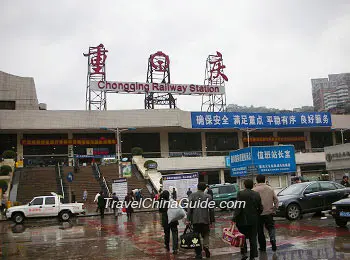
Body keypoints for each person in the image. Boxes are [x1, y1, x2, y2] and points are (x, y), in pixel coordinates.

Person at [233, 179, 263, 260]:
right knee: (253, 238)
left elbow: (238, 207)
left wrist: (234, 217)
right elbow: (260, 208)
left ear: (244, 185)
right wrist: (257, 215)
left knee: (242, 238)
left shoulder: (240, 194)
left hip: (242, 220)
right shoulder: (256, 194)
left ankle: (244, 253)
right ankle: (252, 256)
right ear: (252, 185)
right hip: (253, 220)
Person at [187, 182, 214, 259]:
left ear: (197, 187)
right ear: (205, 188)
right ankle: (206, 246)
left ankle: (198, 253)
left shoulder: (192, 195)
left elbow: (189, 209)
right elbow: (211, 210)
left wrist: (188, 219)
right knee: (206, 234)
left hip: (195, 220)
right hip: (205, 220)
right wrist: (212, 220)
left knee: (196, 236)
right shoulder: (208, 196)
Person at [253, 175, 278, 252]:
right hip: (269, 212)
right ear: (264, 180)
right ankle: (273, 240)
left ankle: (262, 247)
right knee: (271, 228)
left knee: (260, 231)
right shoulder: (270, 188)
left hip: (258, 214)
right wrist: (274, 209)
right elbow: (276, 200)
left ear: (257, 180)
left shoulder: (254, 190)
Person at [159, 190, 179, 255]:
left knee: (166, 234)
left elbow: (160, 210)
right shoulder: (172, 201)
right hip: (173, 220)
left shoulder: (162, 202)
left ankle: (167, 246)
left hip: (166, 220)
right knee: (175, 233)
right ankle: (175, 248)